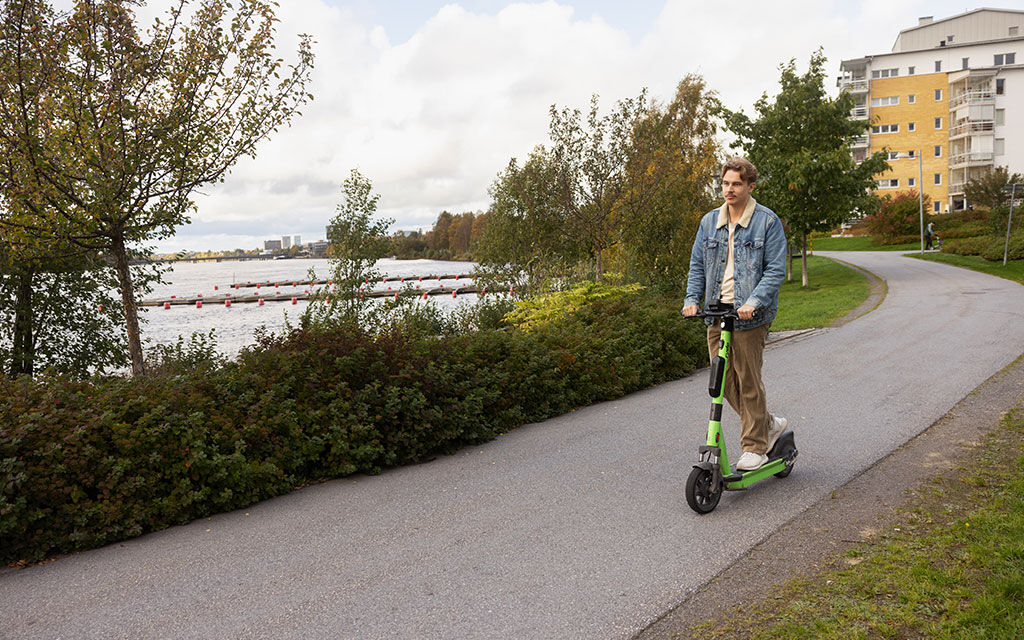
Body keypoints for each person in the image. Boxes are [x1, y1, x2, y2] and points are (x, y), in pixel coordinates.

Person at [682, 157, 789, 471]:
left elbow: (774, 271)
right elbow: (698, 266)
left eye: (736, 184)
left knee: (748, 380)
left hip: (750, 316)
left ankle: (754, 446)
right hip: (717, 312)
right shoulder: (709, 221)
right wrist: (691, 298)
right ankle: (768, 423)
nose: (729, 189)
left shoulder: (766, 222)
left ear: (750, 186)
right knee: (723, 382)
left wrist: (753, 302)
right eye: (726, 182)